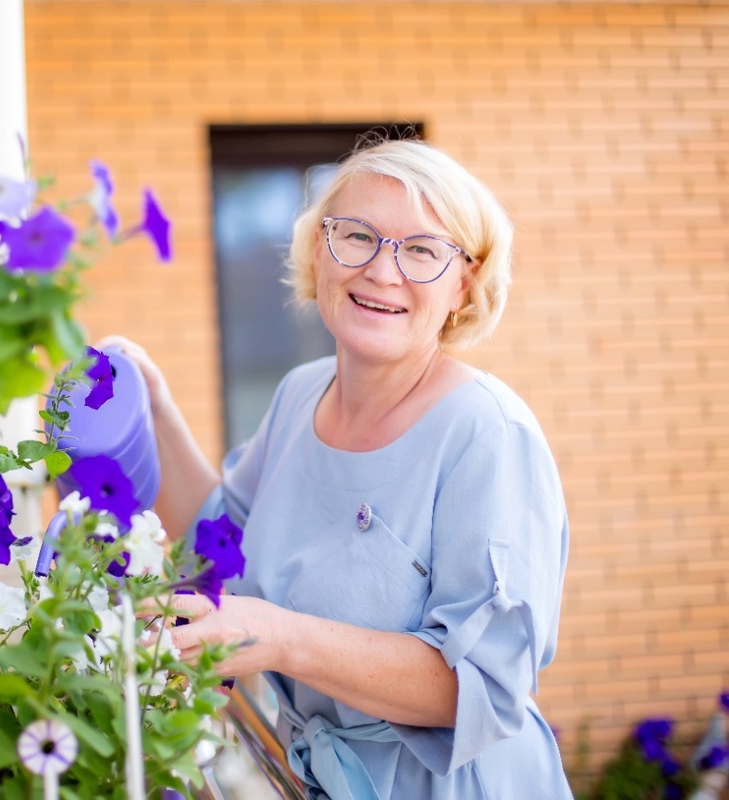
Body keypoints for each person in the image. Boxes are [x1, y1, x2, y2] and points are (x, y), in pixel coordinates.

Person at [104, 138, 572, 799]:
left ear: (462, 284)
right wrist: (154, 405)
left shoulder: (487, 433)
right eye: (358, 236)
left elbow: (482, 688)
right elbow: (216, 543)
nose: (383, 271)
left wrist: (279, 638)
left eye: (421, 250)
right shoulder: (301, 393)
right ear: (318, 252)